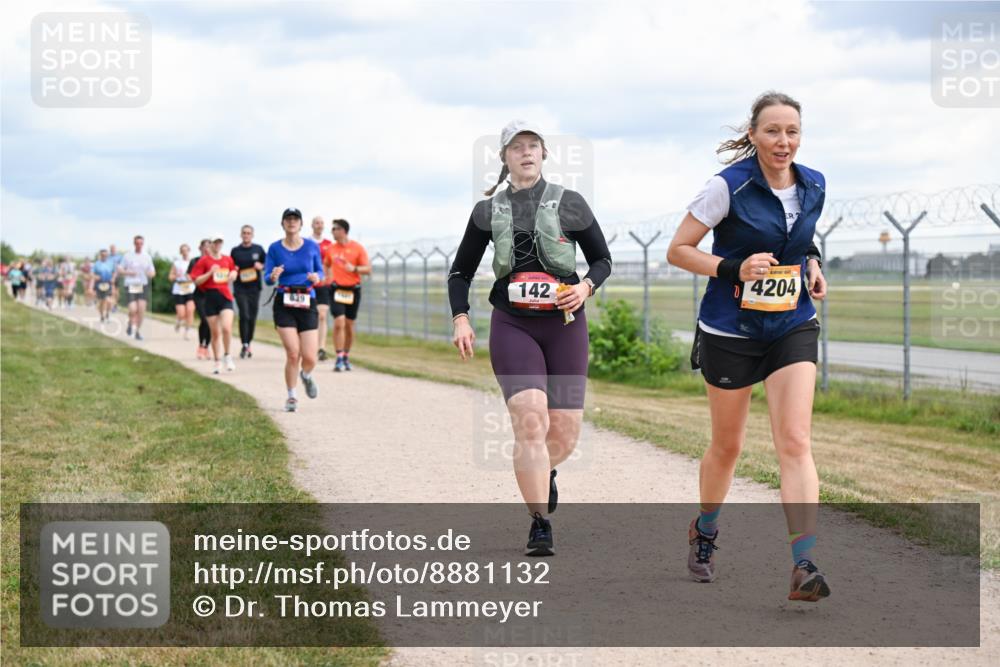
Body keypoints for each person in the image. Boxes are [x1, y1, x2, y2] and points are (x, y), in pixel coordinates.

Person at [666, 91, 830, 602]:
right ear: (754, 135)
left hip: (791, 323)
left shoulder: (815, 184)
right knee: (727, 446)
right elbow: (679, 250)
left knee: (795, 441)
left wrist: (812, 263)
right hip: (730, 329)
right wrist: (734, 268)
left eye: (792, 131)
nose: (784, 141)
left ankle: (804, 564)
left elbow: (798, 237)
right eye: (773, 131)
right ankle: (705, 528)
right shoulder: (728, 186)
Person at [449, 121, 612, 557]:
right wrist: (461, 318)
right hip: (513, 325)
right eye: (517, 147)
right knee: (530, 421)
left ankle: (543, 471)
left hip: (565, 325)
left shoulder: (570, 202)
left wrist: (586, 287)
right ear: (505, 157)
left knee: (564, 434)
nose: (525, 152)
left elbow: (601, 259)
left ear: (544, 154)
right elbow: (460, 272)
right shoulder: (487, 211)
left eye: (533, 146)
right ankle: (540, 522)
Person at [264, 208, 324, 412]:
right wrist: (273, 276)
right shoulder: (274, 248)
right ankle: (291, 396)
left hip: (307, 300)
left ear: (301, 224)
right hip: (284, 301)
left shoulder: (311, 246)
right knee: (292, 353)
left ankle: (306, 375)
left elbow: (320, 271)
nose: (292, 222)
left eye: (295, 219)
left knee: (310, 357)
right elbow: (267, 277)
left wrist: (317, 278)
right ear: (282, 224)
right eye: (288, 219)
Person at [323, 219, 371, 372]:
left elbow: (368, 269)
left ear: (343, 231)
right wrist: (327, 277)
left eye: (335, 229)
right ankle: (338, 357)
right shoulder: (331, 249)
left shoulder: (357, 248)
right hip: (336, 289)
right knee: (339, 322)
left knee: (349, 325)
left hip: (353, 290)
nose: (332, 231)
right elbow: (326, 264)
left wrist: (354, 268)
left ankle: (346, 355)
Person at [189, 234, 237, 374]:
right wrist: (210, 272)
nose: (217, 245)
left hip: (225, 297)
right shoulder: (204, 261)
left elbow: (233, 270)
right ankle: (217, 361)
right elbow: (196, 280)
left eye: (219, 242)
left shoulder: (227, 259)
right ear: (210, 245)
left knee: (227, 328)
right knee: (215, 333)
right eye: (215, 242)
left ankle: (227, 355)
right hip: (210, 298)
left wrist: (233, 274)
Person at [230, 225, 266, 359]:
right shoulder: (235, 251)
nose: (246, 235)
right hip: (240, 288)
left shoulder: (258, 249)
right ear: (241, 235)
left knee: (252, 317)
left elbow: (268, 264)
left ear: (252, 235)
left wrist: (261, 266)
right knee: (244, 315)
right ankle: (244, 343)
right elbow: (230, 266)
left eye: (249, 233)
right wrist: (234, 269)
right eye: (244, 233)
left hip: (254, 288)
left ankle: (248, 343)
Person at [117, 235, 156, 341]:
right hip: (131, 285)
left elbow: (153, 272)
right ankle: (130, 323)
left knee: (141, 310)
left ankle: (137, 331)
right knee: (133, 309)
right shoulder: (127, 256)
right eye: (137, 243)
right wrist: (128, 272)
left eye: (141, 243)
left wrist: (150, 274)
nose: (139, 245)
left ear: (143, 244)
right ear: (134, 244)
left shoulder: (147, 256)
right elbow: (120, 269)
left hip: (143, 285)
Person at [309, 215, 334, 361]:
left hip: (323, 284)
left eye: (321, 223)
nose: (319, 225)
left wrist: (329, 278)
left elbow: (331, 264)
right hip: (309, 284)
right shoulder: (306, 242)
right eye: (316, 223)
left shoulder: (328, 244)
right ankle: (309, 345)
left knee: (322, 315)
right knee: (311, 316)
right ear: (312, 225)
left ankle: (321, 347)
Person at [189, 239, 213, 359]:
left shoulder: (214, 261)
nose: (207, 248)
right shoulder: (195, 261)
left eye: (209, 246)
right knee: (205, 319)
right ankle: (201, 345)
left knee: (210, 322)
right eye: (205, 246)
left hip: (212, 295)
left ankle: (206, 346)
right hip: (200, 295)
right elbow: (192, 277)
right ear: (201, 248)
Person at [169, 244, 197, 339]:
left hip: (190, 288)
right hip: (179, 289)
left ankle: (187, 332)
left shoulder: (193, 262)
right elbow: (170, 277)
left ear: (189, 251)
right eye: (183, 250)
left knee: (190, 310)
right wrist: (176, 276)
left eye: (186, 250)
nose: (185, 252)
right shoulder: (177, 263)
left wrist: (192, 277)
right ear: (181, 252)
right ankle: (178, 321)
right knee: (181, 313)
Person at [92, 249, 117, 322]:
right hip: (99, 284)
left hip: (108, 284)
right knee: (102, 302)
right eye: (102, 255)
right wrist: (96, 277)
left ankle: (107, 314)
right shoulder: (96, 264)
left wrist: (113, 278)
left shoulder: (111, 263)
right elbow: (92, 274)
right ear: (100, 255)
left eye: (106, 255)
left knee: (108, 301)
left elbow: (114, 272)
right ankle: (102, 316)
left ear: (107, 255)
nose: (104, 256)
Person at [108, 243, 123, 311]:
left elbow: (122, 266)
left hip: (117, 276)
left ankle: (115, 305)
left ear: (115, 249)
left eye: (113, 248)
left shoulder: (119, 257)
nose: (112, 250)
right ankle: (112, 306)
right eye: (111, 249)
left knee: (116, 292)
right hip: (110, 275)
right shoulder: (108, 257)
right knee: (112, 291)